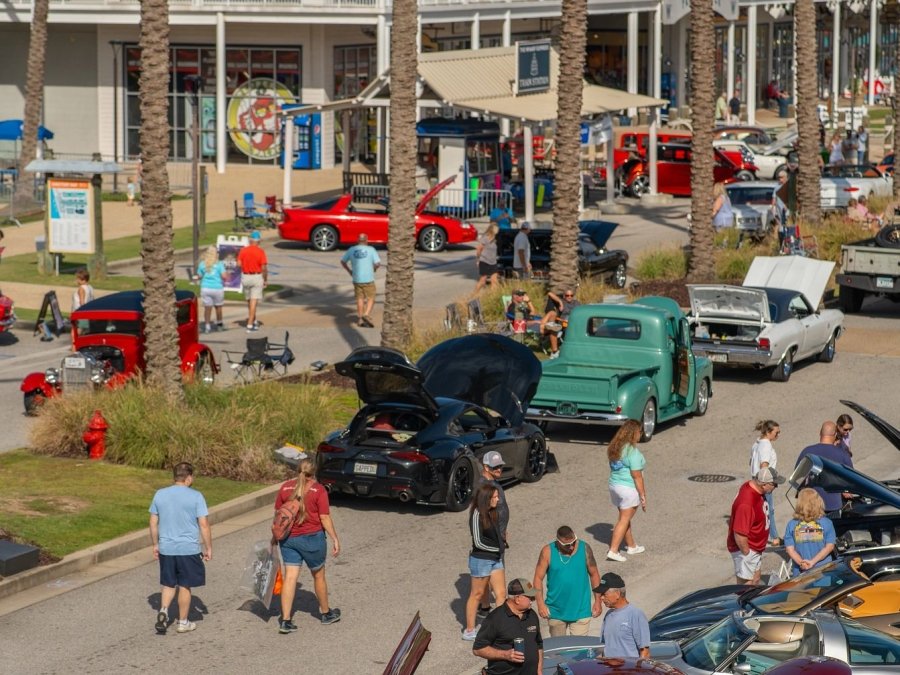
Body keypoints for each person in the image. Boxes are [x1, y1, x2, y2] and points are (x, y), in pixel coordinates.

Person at [273, 458, 341, 632]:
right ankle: (326, 613)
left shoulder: (285, 487)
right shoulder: (318, 490)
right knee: (318, 575)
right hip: (312, 538)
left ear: (298, 471)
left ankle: (285, 620)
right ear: (314, 472)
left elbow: (279, 513)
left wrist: (275, 536)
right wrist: (334, 538)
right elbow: (324, 517)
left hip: (288, 540)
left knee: (290, 577)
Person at [149, 462, 212, 635]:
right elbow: (204, 524)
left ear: (174, 477)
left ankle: (163, 610)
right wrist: (208, 547)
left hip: (167, 548)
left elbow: (154, 523)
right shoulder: (196, 496)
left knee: (168, 583)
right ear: (189, 478)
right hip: (188, 549)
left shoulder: (159, 494)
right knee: (185, 585)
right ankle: (183, 622)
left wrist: (156, 544)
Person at [533, 526, 602, 637]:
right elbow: (537, 578)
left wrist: (598, 601)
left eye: (573, 542)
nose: (571, 547)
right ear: (558, 541)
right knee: (559, 651)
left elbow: (594, 575)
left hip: (581, 610)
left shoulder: (584, 549)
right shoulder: (548, 551)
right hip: (555, 611)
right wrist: (540, 604)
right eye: (567, 545)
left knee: (579, 650)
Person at [463, 483, 506, 641]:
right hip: (481, 559)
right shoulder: (476, 514)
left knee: (501, 594)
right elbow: (478, 542)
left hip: (495, 559)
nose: (498, 499)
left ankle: (500, 627)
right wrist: (497, 548)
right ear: (485, 499)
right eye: (494, 497)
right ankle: (469, 630)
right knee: (477, 594)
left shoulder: (492, 513)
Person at [473, 578, 543, 674]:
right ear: (517, 599)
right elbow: (478, 649)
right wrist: (505, 655)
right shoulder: (495, 619)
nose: (532, 600)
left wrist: (539, 670)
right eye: (530, 597)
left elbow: (538, 644)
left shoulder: (532, 615)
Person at [726, 467, 783, 585]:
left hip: (755, 548)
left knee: (755, 580)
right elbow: (739, 534)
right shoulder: (746, 503)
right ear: (763, 484)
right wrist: (747, 553)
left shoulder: (755, 488)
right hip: (747, 550)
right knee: (746, 587)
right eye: (774, 484)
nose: (776, 487)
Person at [475, 450, 510, 616]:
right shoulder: (485, 487)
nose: (499, 469)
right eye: (495, 467)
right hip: (492, 540)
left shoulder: (492, 482)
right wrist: (497, 533)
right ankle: (499, 615)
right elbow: (483, 516)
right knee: (493, 576)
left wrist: (503, 529)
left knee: (486, 574)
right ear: (486, 466)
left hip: (497, 536)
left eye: (500, 466)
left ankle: (484, 607)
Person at [606, 419, 646, 562]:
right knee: (624, 519)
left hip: (614, 486)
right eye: (639, 431)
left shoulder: (615, 447)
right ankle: (613, 550)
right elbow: (637, 476)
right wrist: (642, 495)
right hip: (628, 489)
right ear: (634, 433)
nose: (640, 434)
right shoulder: (632, 452)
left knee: (624, 517)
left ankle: (631, 546)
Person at [795, 421, 853, 515]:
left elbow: (797, 478)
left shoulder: (807, 452)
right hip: (833, 505)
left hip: (810, 505)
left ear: (820, 433)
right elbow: (851, 480)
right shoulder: (842, 454)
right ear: (835, 434)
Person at [783, 488, 837, 577]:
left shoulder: (791, 524)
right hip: (823, 570)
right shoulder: (827, 523)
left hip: (800, 571)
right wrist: (812, 562)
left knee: (802, 591)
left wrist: (802, 563)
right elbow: (830, 547)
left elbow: (790, 550)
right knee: (822, 590)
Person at [596, 572, 650, 659]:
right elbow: (607, 648)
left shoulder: (636, 614)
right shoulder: (608, 615)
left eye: (604, 594)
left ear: (617, 593)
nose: (601, 598)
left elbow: (645, 653)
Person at [750, 420, 781, 546]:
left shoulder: (757, 443)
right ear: (768, 432)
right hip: (764, 481)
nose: (778, 435)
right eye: (776, 432)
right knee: (769, 509)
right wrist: (768, 483)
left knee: (756, 508)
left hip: (755, 479)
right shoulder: (766, 445)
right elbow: (764, 465)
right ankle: (774, 538)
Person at [340, 233, 381, 328]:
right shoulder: (371, 250)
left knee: (360, 298)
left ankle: (360, 319)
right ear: (366, 240)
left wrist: (349, 271)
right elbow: (377, 263)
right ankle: (366, 314)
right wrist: (374, 268)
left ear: (357, 240)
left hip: (357, 278)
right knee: (371, 297)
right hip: (368, 278)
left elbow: (343, 261)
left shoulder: (351, 250)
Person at [236, 230, 268, 332]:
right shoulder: (260, 252)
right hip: (256, 277)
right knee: (254, 301)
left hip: (245, 276)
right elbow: (264, 268)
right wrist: (265, 279)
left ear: (250, 240)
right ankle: (250, 324)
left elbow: (238, 264)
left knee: (249, 301)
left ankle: (253, 320)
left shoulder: (243, 251)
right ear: (258, 241)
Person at [540, 288, 580, 359]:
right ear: (564, 296)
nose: (569, 297)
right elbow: (550, 293)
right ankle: (555, 352)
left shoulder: (576, 303)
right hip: (562, 323)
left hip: (573, 322)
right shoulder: (561, 301)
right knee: (554, 329)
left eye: (571, 295)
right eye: (567, 295)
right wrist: (560, 302)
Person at [197, 245, 226, 334]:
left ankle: (207, 326)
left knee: (207, 308)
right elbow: (224, 276)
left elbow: (199, 276)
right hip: (217, 288)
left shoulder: (202, 264)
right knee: (218, 307)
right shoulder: (219, 264)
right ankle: (219, 325)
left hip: (206, 288)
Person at [473, 223, 500, 295]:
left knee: (494, 280)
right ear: (493, 229)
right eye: (497, 229)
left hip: (493, 262)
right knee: (483, 281)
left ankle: (493, 296)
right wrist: (478, 260)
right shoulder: (485, 238)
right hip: (484, 261)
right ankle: (474, 295)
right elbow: (479, 249)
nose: (498, 230)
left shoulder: (495, 239)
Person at [71, 268, 95, 345]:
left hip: (80, 313)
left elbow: (82, 302)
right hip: (88, 312)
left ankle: (75, 346)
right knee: (84, 331)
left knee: (76, 332)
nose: (76, 280)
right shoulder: (90, 287)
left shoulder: (81, 288)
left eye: (77, 278)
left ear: (82, 279)